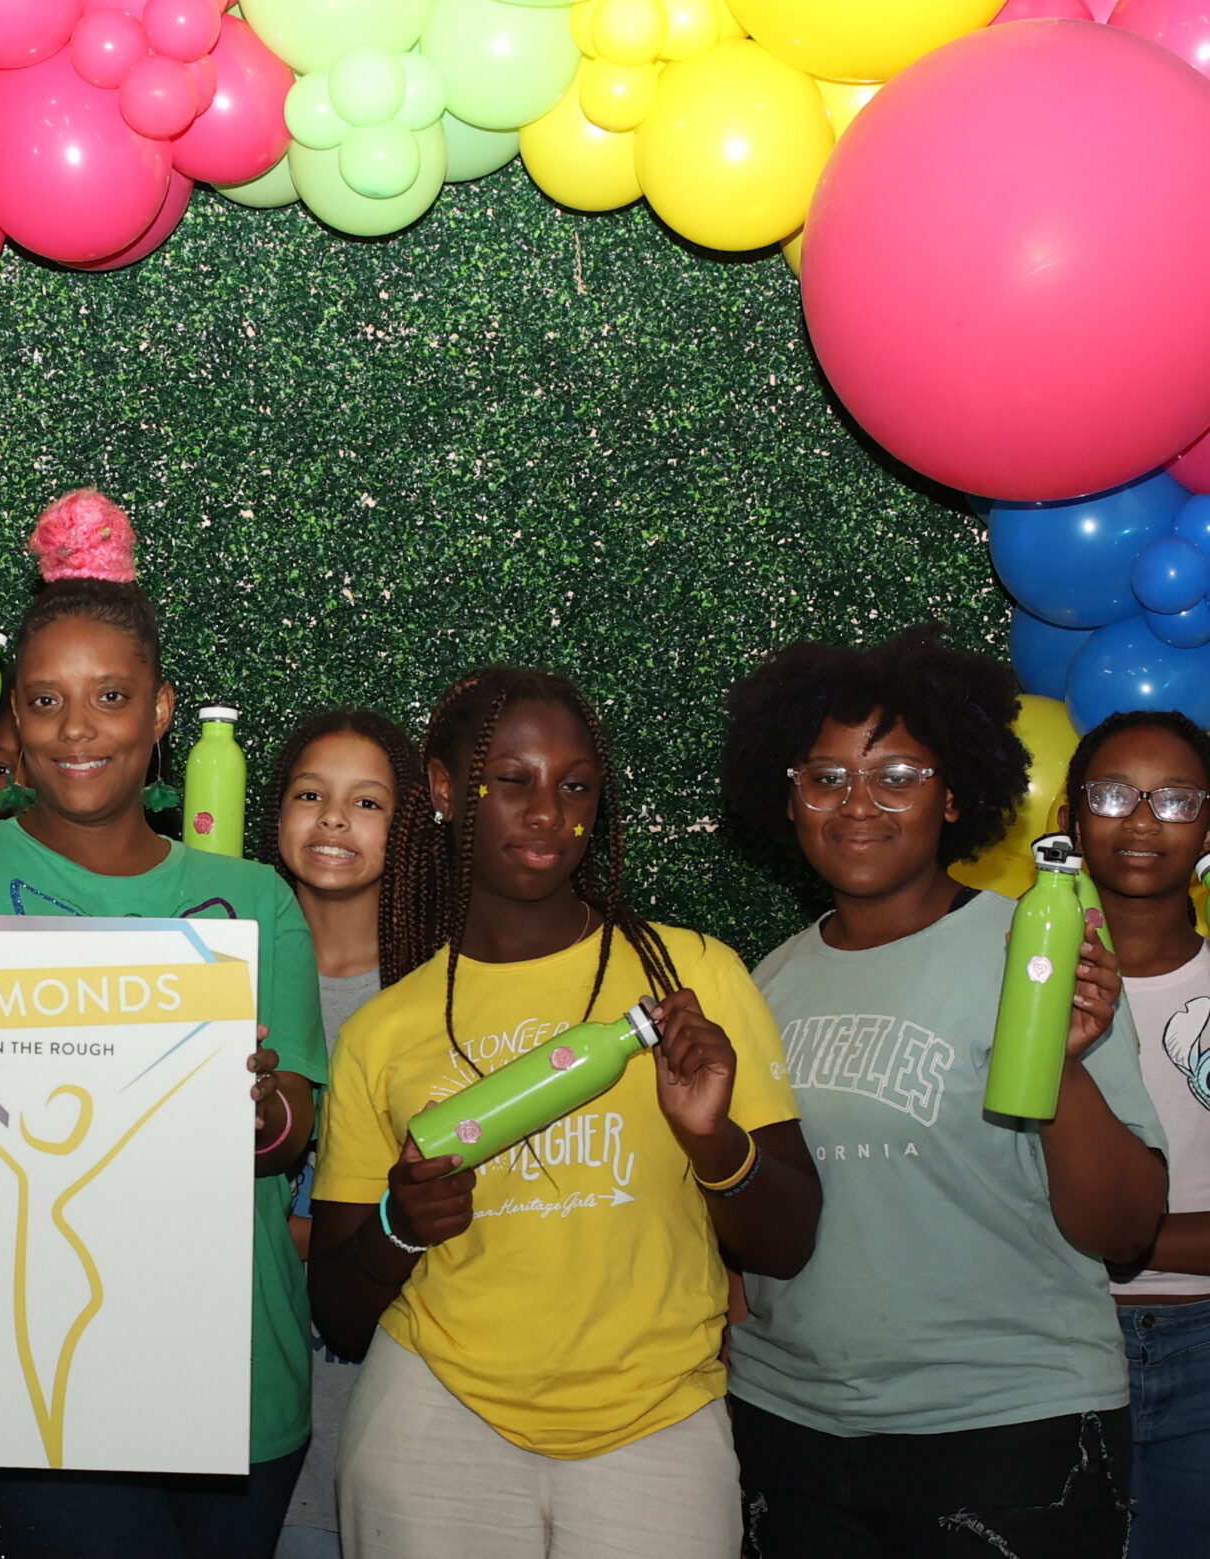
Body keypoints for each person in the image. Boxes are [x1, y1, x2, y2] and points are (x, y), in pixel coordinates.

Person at [0, 488, 326, 1558]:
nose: (76, 728)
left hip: (233, 1379)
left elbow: (295, 1128)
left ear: (160, 710)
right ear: (12, 717)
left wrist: (257, 1109)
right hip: (4, 1375)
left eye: (110, 696)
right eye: (46, 700)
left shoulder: (255, 899)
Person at [307, 665, 819, 1559]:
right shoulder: (384, 1030)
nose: (549, 812)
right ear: (443, 789)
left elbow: (788, 1244)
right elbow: (340, 1312)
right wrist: (399, 1225)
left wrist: (712, 1140)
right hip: (434, 1418)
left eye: (575, 786)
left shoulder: (692, 978)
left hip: (658, 1423)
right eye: (513, 780)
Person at [716, 626, 1165, 1558]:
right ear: (790, 797)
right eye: (826, 776)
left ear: (954, 794)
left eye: (898, 775)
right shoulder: (767, 983)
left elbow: (1125, 1232)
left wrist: (1060, 1063)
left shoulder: (1037, 949)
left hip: (1009, 1431)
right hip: (789, 1429)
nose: (858, 804)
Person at [260, 709, 422, 1559]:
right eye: (309, 794)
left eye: (367, 802)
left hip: (385, 1416)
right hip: (243, 1400)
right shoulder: (217, 973)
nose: (332, 818)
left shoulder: (433, 998)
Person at [1059, 709, 1210, 1559]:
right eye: (1114, 794)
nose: (1144, 820)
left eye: (1176, 798)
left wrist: (1122, 1238)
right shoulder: (1008, 985)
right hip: (1049, 1342)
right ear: (1071, 820)